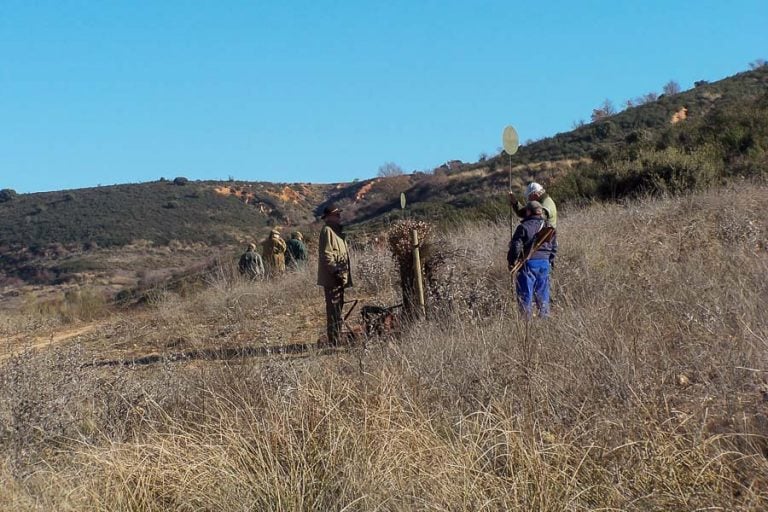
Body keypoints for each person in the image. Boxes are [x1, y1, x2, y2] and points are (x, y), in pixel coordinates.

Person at [507, 201, 557, 317]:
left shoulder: (523, 227)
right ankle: (544, 320)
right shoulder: (549, 227)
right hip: (544, 263)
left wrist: (511, 261)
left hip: (528, 263)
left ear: (528, 211)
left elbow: (516, 246)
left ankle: (526, 323)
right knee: (542, 293)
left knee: (525, 294)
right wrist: (550, 262)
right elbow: (554, 247)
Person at [317, 204, 352, 346]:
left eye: (339, 214)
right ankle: (333, 340)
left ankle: (336, 337)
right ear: (328, 217)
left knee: (338, 308)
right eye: (336, 214)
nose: (339, 216)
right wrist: (335, 271)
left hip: (338, 278)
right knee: (333, 309)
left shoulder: (335, 231)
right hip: (333, 278)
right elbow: (327, 254)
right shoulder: (327, 231)